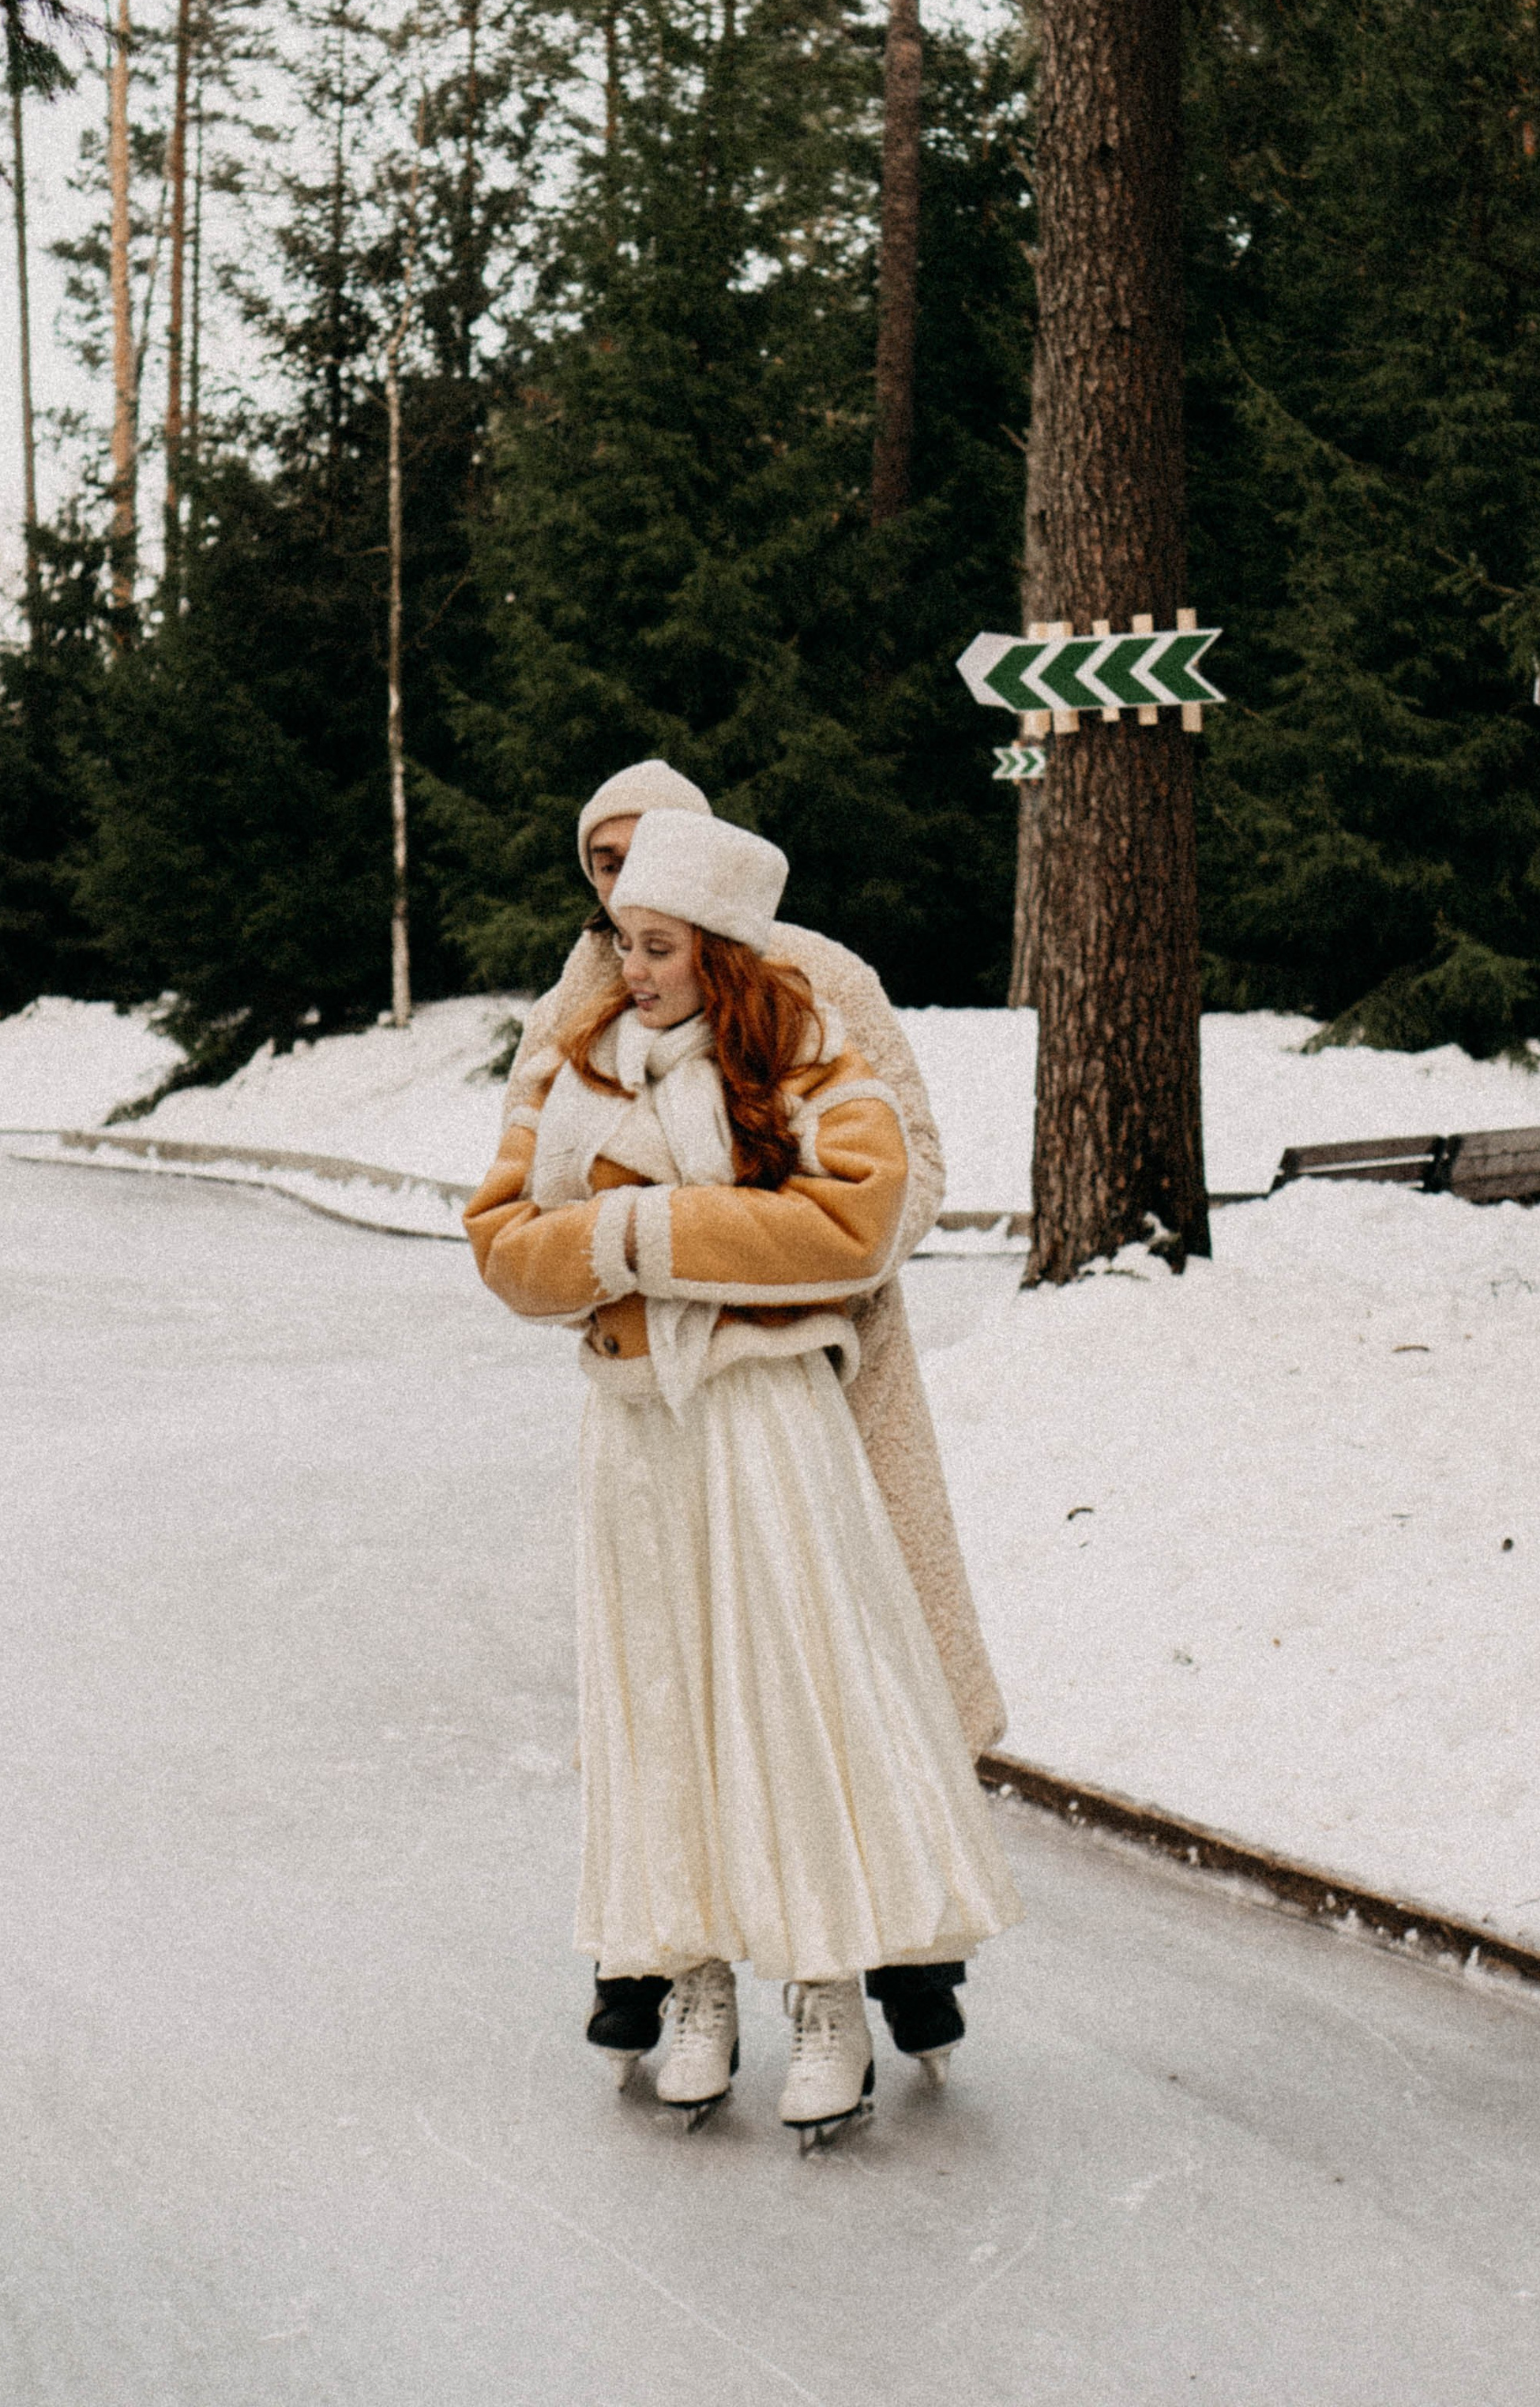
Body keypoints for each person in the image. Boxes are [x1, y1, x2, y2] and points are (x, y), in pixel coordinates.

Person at [464, 806, 1021, 2146]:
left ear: (714, 944)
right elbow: (501, 1243)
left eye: (655, 943)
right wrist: (644, 1245)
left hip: (770, 1419)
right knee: (660, 1698)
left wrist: (635, 1231)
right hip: (636, 1430)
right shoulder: (575, 1057)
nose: (628, 964)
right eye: (619, 937)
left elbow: (854, 1224)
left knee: (793, 1690)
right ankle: (695, 1977)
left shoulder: (807, 1045)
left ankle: (828, 1989)